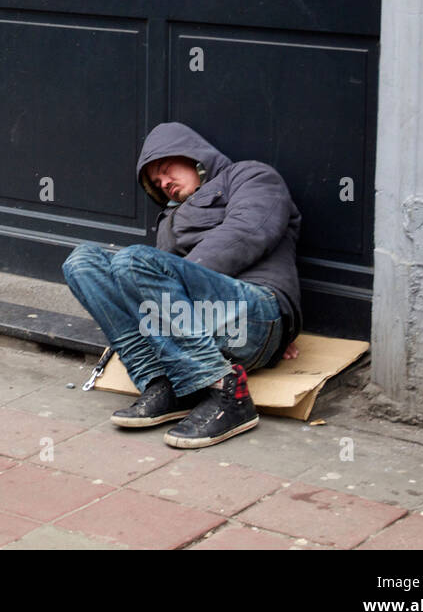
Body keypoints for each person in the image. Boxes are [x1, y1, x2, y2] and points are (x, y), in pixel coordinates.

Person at [62, 122, 302, 448]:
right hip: (192, 327)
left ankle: (227, 394)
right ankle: (163, 383)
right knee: (82, 260)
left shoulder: (251, 176)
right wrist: (168, 283)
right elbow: (153, 294)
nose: (164, 183)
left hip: (254, 312)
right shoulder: (168, 221)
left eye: (165, 169)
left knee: (133, 261)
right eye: (157, 184)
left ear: (192, 155)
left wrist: (281, 330)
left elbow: (250, 231)